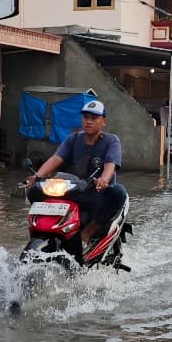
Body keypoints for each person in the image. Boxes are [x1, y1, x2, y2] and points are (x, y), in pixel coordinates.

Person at [27, 99, 126, 246]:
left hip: (95, 193)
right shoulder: (73, 139)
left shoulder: (111, 141)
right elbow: (56, 159)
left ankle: (88, 233)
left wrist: (103, 180)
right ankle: (43, 231)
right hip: (73, 191)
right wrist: (37, 176)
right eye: (85, 117)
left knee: (119, 192)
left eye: (94, 118)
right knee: (33, 191)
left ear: (103, 121)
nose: (88, 121)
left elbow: (110, 165)